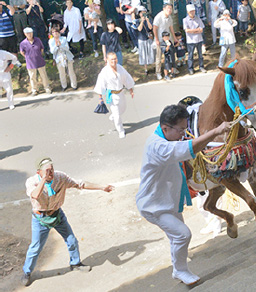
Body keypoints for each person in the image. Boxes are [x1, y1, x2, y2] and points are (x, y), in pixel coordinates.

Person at [135, 104, 230, 286]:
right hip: (153, 206)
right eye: (181, 130)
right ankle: (180, 270)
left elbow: (190, 147)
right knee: (182, 235)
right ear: (165, 128)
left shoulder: (169, 139)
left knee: (175, 237)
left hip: (169, 201)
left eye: (185, 129)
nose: (183, 134)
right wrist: (216, 131)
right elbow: (188, 148)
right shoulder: (157, 146)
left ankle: (178, 269)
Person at [21, 157, 114, 287]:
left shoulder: (60, 177)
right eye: (47, 170)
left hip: (57, 215)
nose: (51, 173)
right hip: (40, 218)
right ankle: (27, 272)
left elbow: (80, 184)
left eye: (52, 169)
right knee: (36, 247)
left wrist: (102, 187)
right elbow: (35, 195)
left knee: (71, 240)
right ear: (39, 172)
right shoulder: (32, 182)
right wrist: (44, 180)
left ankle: (75, 263)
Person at [95, 52, 135, 139]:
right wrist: (100, 98)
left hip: (120, 92)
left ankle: (113, 114)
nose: (114, 61)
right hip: (112, 95)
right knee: (117, 116)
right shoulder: (105, 71)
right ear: (108, 60)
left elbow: (127, 78)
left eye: (115, 58)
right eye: (112, 59)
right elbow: (100, 84)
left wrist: (131, 89)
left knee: (123, 109)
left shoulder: (120, 68)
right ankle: (120, 130)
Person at [20, 27, 51, 95]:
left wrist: (38, 55)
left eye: (30, 33)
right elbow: (22, 52)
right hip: (30, 63)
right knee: (32, 77)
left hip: (39, 60)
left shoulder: (37, 40)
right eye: (28, 33)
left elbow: (42, 48)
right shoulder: (23, 43)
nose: (29, 35)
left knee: (44, 75)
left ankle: (47, 88)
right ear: (25, 34)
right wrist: (27, 57)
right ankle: (34, 90)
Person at [153, 3, 178, 81]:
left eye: (170, 8)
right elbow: (154, 28)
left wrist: (174, 38)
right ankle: (158, 73)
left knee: (170, 55)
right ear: (164, 9)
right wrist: (156, 39)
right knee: (159, 57)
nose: (169, 10)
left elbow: (171, 28)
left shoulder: (170, 18)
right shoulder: (158, 17)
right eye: (168, 8)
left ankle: (172, 70)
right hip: (160, 40)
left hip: (168, 40)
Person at [49, 27, 77, 92]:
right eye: (53, 32)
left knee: (71, 71)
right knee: (61, 73)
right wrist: (56, 46)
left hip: (67, 57)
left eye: (56, 32)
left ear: (59, 33)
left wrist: (61, 45)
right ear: (52, 34)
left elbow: (67, 48)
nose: (55, 33)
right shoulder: (51, 41)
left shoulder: (63, 39)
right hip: (58, 58)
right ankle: (64, 86)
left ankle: (74, 85)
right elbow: (52, 51)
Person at [183, 4, 206, 75]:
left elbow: (201, 29)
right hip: (190, 41)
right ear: (187, 12)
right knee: (190, 55)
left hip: (199, 39)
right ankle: (190, 68)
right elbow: (187, 30)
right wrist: (196, 30)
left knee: (200, 55)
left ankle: (201, 66)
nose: (192, 12)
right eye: (191, 11)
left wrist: (192, 31)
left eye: (193, 11)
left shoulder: (198, 18)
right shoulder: (185, 20)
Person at [136, 7, 154, 74]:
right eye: (141, 12)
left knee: (150, 52)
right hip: (141, 39)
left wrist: (147, 21)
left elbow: (151, 28)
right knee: (143, 54)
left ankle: (152, 65)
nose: (143, 14)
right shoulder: (137, 21)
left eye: (144, 12)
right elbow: (139, 29)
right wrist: (142, 21)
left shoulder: (149, 19)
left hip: (148, 39)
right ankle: (145, 68)